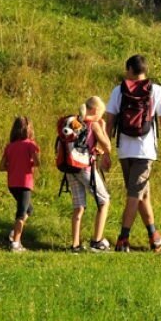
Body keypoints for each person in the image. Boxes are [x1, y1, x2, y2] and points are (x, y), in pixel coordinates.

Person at [104, 55, 161, 252]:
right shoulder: (157, 91)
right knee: (135, 194)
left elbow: (109, 122)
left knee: (141, 194)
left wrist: (105, 151)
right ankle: (123, 239)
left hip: (124, 150)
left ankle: (154, 235)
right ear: (145, 70)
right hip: (145, 151)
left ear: (130, 69)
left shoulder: (118, 91)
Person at [67, 96, 113, 253]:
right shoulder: (93, 124)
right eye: (101, 113)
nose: (102, 116)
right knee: (104, 200)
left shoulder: (75, 122)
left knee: (78, 206)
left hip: (70, 167)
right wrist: (103, 127)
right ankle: (97, 240)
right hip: (86, 168)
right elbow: (108, 146)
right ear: (94, 110)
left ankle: (75, 245)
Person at [0, 116, 40, 252]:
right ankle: (16, 243)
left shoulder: (9, 147)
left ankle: (14, 233)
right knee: (21, 213)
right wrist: (28, 164)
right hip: (25, 182)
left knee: (29, 209)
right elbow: (37, 162)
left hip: (12, 183)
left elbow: (2, 166)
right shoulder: (30, 144)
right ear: (29, 130)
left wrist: (13, 166)